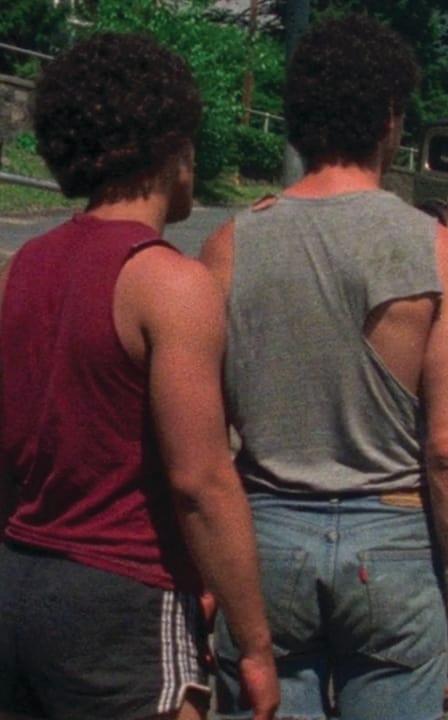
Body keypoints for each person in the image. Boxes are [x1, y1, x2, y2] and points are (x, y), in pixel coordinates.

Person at [199, 16, 448, 719]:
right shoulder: (438, 253)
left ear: (297, 120)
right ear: (391, 118)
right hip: (390, 540)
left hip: (265, 535)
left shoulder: (228, 248)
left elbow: (207, 441)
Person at [0, 33, 278, 719]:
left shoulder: (24, 266)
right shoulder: (170, 284)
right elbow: (201, 484)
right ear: (169, 147)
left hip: (18, 579)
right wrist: (255, 644)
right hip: (124, 595)